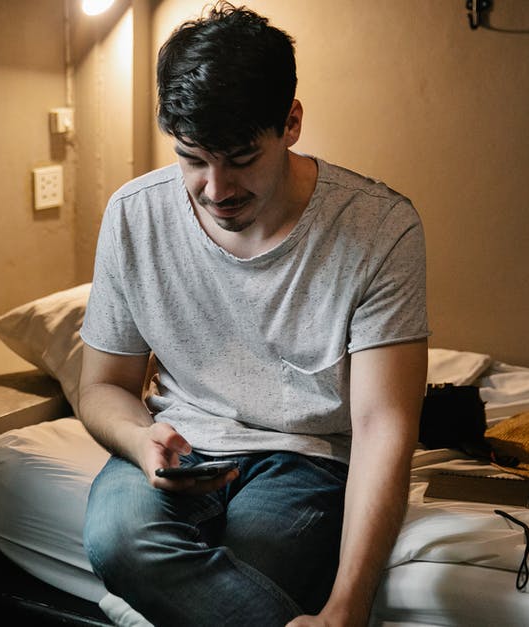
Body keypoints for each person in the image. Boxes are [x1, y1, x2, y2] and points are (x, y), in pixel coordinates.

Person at [76, 3, 429, 626]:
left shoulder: (381, 227)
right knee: (117, 541)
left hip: (307, 457)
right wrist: (139, 438)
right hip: (181, 443)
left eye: (240, 157)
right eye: (192, 158)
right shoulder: (133, 215)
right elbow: (103, 385)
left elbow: (383, 428)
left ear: (291, 123)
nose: (216, 189)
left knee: (255, 565)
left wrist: (347, 608)